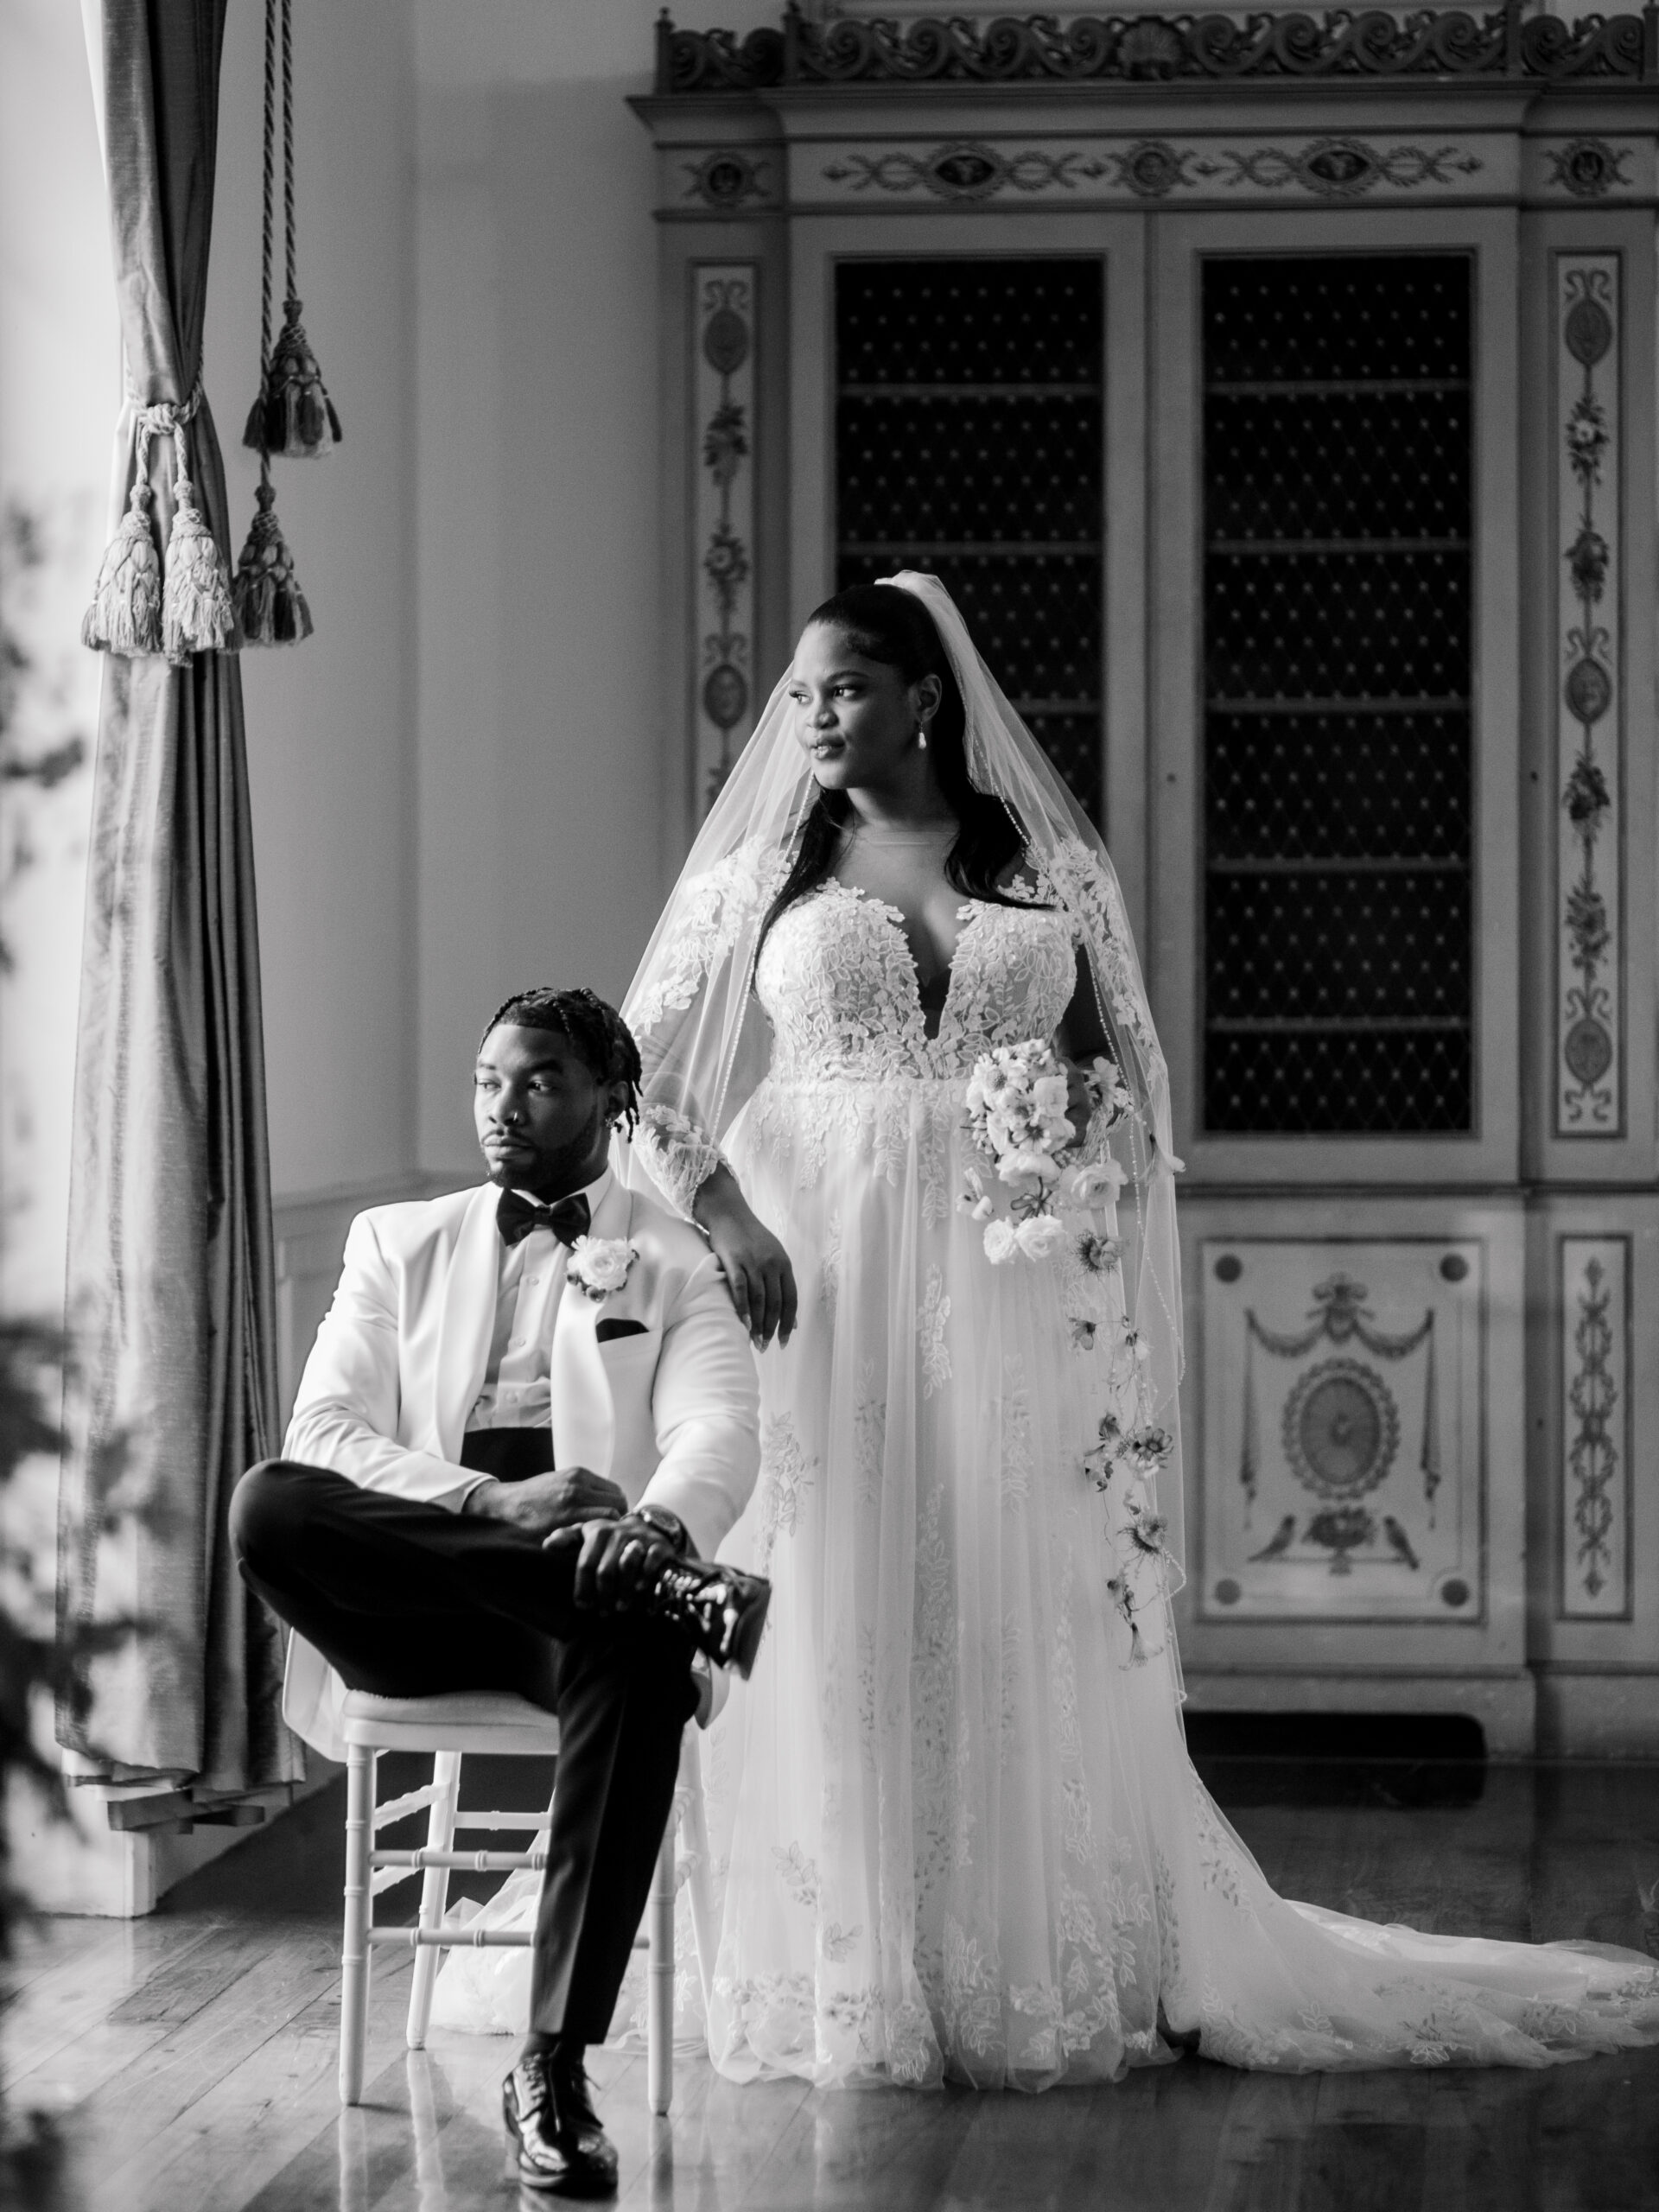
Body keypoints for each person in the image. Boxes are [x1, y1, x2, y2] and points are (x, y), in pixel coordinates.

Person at [620, 573, 1659, 2089]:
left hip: (999, 1279)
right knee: (835, 1579)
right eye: (800, 693)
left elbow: (1119, 1090)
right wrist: (722, 1209)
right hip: (816, 1270)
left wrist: (1061, 1162)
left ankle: (1042, 1948)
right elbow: (628, 1067)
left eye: (841, 685)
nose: (813, 715)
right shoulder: (774, 866)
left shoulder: (1044, 866)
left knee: (997, 1582)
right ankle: (829, 1954)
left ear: (924, 693)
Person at [230, 987, 762, 2194]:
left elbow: (718, 1427)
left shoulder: (673, 1261)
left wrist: (664, 1523)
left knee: (631, 1661)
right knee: (269, 1501)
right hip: (412, 1605)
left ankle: (552, 2066)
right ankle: (663, 1597)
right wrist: (492, 1506)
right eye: (486, 1082)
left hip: (569, 1632)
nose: (501, 1108)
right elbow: (325, 1432)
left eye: (536, 1083)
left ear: (609, 1100)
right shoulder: (393, 1241)